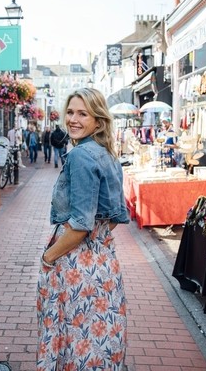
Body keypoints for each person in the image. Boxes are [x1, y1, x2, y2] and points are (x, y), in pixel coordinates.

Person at [37, 88, 129, 370]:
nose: (73, 119)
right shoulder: (108, 154)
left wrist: (49, 257)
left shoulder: (80, 156)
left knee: (72, 339)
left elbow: (80, 225)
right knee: (97, 342)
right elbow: (114, 217)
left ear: (98, 121)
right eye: (70, 112)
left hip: (76, 265)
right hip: (104, 262)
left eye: (82, 113)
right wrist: (96, 238)